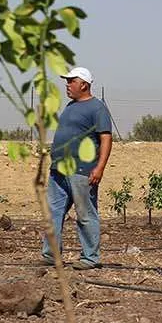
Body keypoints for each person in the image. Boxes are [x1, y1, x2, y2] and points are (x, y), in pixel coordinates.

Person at [42, 66, 114, 270]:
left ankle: (90, 257)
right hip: (59, 170)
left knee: (85, 214)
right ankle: (51, 254)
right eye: (67, 81)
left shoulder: (97, 108)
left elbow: (106, 138)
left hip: (82, 170)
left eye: (71, 81)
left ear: (84, 84)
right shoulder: (70, 106)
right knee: (53, 212)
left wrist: (99, 168)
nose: (67, 85)